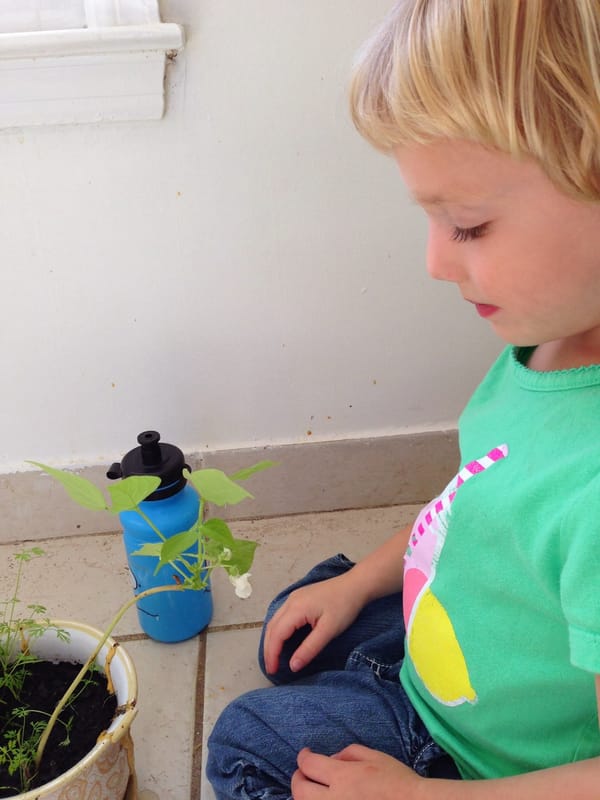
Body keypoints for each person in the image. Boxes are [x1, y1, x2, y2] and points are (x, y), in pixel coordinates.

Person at [206, 0, 600, 797]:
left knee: (245, 740)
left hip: (482, 759)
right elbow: (476, 502)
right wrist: (358, 585)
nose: (432, 262)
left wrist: (426, 796)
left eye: (467, 225)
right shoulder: (547, 339)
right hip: (465, 640)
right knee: (298, 614)